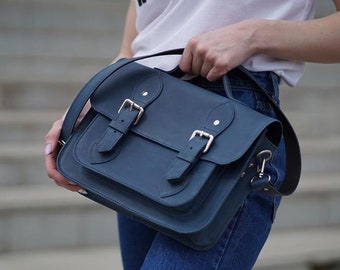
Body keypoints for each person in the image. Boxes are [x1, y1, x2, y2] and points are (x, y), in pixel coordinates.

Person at [45, 1, 340, 269]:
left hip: (230, 125)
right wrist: (81, 110)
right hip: (137, 120)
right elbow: (132, 49)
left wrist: (253, 35)